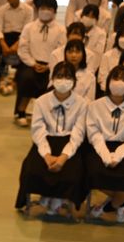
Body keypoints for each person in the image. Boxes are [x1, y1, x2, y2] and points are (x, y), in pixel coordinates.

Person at [15, 61, 88, 216]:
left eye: (68, 77)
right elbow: (38, 130)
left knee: (73, 171)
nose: (63, 80)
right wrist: (46, 154)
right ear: (52, 78)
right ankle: (45, 197)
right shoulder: (42, 101)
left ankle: (59, 200)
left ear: (74, 81)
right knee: (31, 168)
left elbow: (78, 133)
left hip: (69, 143)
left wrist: (63, 157)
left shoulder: (82, 103)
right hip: (46, 141)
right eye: (59, 76)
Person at [15, 0, 67, 126]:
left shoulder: (61, 30)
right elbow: (23, 48)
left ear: (54, 11)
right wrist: (33, 63)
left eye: (49, 8)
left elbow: (61, 50)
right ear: (38, 10)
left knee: (52, 83)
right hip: (31, 63)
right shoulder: (29, 27)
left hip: (52, 65)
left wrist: (49, 66)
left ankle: (44, 115)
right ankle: (21, 111)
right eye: (42, 8)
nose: (45, 11)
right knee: (27, 78)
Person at [86, 65, 124, 222]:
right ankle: (120, 204)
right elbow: (94, 134)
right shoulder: (96, 105)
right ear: (109, 81)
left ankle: (109, 205)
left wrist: (118, 156)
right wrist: (106, 156)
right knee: (93, 173)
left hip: (123, 148)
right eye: (116, 78)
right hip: (100, 146)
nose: (119, 82)